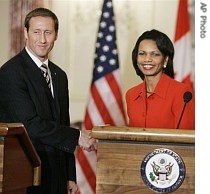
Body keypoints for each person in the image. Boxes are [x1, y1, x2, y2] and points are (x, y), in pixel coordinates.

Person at [0, 7, 96, 194]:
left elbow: (63, 123)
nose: (42, 39)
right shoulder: (11, 73)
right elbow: (30, 125)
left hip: (58, 175)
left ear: (56, 35)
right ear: (26, 33)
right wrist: (77, 137)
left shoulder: (60, 75)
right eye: (36, 32)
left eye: (48, 32)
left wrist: (70, 175)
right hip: (26, 174)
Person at [125, 29, 195, 130]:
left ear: (165, 60)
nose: (147, 59)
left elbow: (187, 139)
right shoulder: (131, 94)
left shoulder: (182, 93)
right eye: (142, 53)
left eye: (155, 54)